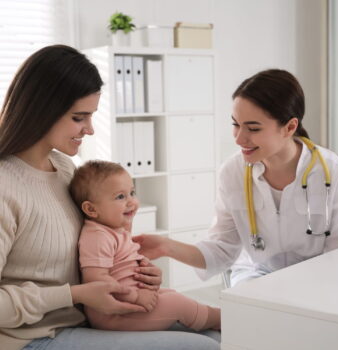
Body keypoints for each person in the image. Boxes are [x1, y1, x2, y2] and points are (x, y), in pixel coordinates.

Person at [0, 45, 220, 350]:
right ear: (43, 109)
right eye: (79, 117)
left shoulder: (64, 168)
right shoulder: (5, 187)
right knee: (206, 347)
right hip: (29, 339)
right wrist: (75, 295)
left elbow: (90, 251)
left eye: (91, 117)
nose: (89, 130)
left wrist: (135, 272)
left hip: (84, 320)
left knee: (216, 335)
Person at [133, 68, 338, 288]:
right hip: (257, 276)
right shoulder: (233, 172)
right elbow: (221, 250)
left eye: (253, 128)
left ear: (290, 127)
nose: (239, 139)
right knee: (246, 312)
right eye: (235, 124)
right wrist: (166, 247)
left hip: (317, 282)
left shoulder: (334, 174)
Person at [69, 160, 221, 332]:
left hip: (130, 301)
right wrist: (135, 296)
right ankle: (220, 319)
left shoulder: (114, 230)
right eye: (120, 196)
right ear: (91, 209)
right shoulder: (97, 237)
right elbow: (96, 279)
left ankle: (211, 321)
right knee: (178, 304)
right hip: (115, 314)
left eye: (132, 193)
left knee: (172, 294)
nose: (131, 201)